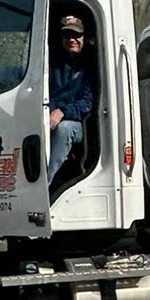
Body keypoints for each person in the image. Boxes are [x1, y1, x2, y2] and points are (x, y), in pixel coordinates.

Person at [48, 13, 96, 180]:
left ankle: (46, 184)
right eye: (67, 35)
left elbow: (87, 104)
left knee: (64, 129)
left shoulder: (92, 64)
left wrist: (62, 111)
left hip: (78, 122)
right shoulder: (52, 61)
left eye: (77, 35)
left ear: (84, 36)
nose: (72, 39)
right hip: (50, 115)